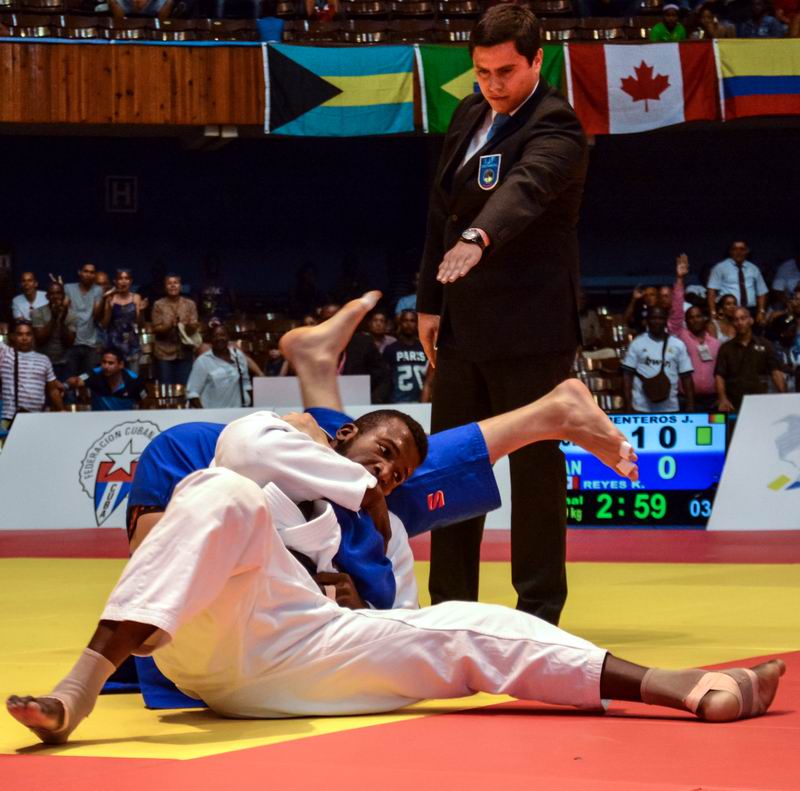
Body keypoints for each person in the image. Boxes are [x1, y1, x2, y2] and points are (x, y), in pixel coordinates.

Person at [5, 451, 785, 743]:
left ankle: (669, 686)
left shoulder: (383, 540)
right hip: (206, 637)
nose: (391, 465)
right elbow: (238, 459)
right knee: (225, 490)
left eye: (405, 463)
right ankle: (80, 687)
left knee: (462, 624)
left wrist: (359, 571)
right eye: (380, 445)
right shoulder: (266, 458)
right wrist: (349, 485)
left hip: (306, 656)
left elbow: (404, 630)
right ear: (335, 439)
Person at [416, 4, 588, 625]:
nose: (493, 85)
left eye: (506, 71)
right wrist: (429, 302)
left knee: (535, 467)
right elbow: (441, 213)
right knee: (453, 463)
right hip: (463, 325)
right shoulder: (469, 114)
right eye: (483, 72)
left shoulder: (557, 126)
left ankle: (538, 611)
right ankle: (451, 606)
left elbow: (526, 191)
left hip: (531, 330)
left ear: (538, 60)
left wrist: (479, 239)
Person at [669, 255, 721, 411]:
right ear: (686, 321)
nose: (695, 320)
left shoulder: (715, 343)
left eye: (699, 316)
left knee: (711, 436)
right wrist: (679, 279)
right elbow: (676, 311)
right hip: (688, 401)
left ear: (704, 319)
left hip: (713, 400)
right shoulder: (681, 336)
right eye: (690, 317)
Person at [622, 307, 695, 413]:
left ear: (666, 320)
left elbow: (686, 377)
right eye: (653, 318)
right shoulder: (637, 343)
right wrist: (628, 405)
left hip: (670, 408)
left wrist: (690, 405)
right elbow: (627, 376)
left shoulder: (678, 345)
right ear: (647, 320)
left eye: (660, 318)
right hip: (642, 408)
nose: (657, 321)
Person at [715, 306, 786, 411]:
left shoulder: (766, 345)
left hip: (761, 400)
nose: (740, 322)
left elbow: (775, 372)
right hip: (734, 402)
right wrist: (722, 398)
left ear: (751, 320)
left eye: (743, 318)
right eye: (736, 320)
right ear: (733, 323)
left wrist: (784, 397)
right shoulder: (725, 348)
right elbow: (719, 376)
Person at [0, 320, 64, 436]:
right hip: (9, 417)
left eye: (28, 334)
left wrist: (62, 410)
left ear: (33, 336)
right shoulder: (5, 354)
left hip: (35, 417)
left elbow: (53, 390)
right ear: (13, 337)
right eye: (20, 334)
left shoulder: (44, 359)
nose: (24, 338)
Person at [186, 324, 252, 409]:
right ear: (210, 339)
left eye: (223, 335)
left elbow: (246, 383)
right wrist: (204, 414)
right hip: (212, 414)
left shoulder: (238, 356)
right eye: (215, 336)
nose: (219, 338)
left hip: (236, 413)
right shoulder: (202, 361)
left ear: (228, 337)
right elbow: (192, 393)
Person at [151, 274, 200, 387]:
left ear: (180, 286)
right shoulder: (158, 305)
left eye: (176, 283)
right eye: (169, 283)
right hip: (164, 353)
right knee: (166, 388)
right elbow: (156, 329)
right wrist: (169, 325)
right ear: (165, 287)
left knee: (185, 388)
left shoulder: (190, 304)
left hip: (185, 352)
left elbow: (194, 326)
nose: (173, 286)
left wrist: (188, 326)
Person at [706, 241, 768, 326]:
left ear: (747, 251)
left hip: (750, 311)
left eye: (742, 249)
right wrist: (713, 313)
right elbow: (711, 292)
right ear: (730, 251)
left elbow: (762, 292)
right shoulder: (720, 268)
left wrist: (761, 311)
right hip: (729, 312)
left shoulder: (753, 269)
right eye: (735, 249)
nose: (738, 252)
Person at [66, 347, 148, 411]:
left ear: (121, 365)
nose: (106, 366)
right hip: (99, 421)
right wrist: (72, 382)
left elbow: (146, 403)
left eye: (110, 363)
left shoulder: (134, 380)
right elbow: (78, 380)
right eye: (104, 362)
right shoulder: (95, 373)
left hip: (125, 424)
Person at [99, 269, 148, 375]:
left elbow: (140, 325)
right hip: (114, 345)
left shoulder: (136, 298)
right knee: (114, 378)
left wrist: (142, 311)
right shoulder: (111, 298)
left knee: (132, 378)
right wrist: (109, 309)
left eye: (126, 278)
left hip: (131, 345)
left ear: (130, 281)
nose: (123, 281)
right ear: (115, 281)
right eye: (120, 278)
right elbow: (104, 325)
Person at [30, 282, 77, 384]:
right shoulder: (37, 312)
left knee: (64, 395)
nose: (55, 296)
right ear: (47, 296)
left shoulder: (71, 315)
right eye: (52, 293)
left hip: (64, 363)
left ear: (63, 295)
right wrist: (54, 318)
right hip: (42, 363)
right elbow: (40, 339)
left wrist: (62, 320)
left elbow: (69, 342)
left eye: (58, 293)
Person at [64, 262, 103, 378]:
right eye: (86, 271)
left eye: (92, 272)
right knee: (70, 381)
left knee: (88, 381)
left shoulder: (98, 290)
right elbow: (65, 311)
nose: (88, 275)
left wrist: (103, 300)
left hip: (90, 344)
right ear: (79, 272)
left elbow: (96, 315)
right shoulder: (69, 288)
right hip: (72, 342)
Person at [383, 310, 429, 403]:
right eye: (405, 320)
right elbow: (385, 378)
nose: (408, 324)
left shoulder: (425, 348)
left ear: (417, 324)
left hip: (421, 401)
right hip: (397, 401)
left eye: (412, 321)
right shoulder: (391, 349)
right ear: (400, 323)